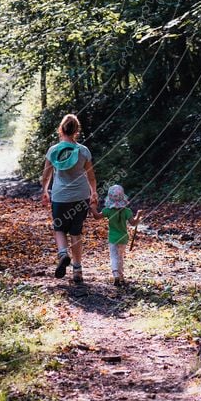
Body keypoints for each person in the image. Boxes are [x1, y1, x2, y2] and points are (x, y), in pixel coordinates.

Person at [41, 114, 97, 284]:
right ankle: (77, 270)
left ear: (61, 129)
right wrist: (93, 192)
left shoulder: (53, 150)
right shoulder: (83, 151)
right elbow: (91, 177)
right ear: (76, 130)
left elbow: (46, 175)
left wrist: (45, 190)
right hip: (81, 197)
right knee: (76, 231)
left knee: (59, 229)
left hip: (60, 197)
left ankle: (63, 254)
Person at [98, 184, 142, 286]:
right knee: (120, 257)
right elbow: (133, 223)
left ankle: (116, 274)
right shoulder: (127, 211)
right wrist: (138, 215)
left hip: (113, 238)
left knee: (114, 256)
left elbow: (96, 216)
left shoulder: (107, 210)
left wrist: (92, 208)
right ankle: (121, 277)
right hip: (123, 238)